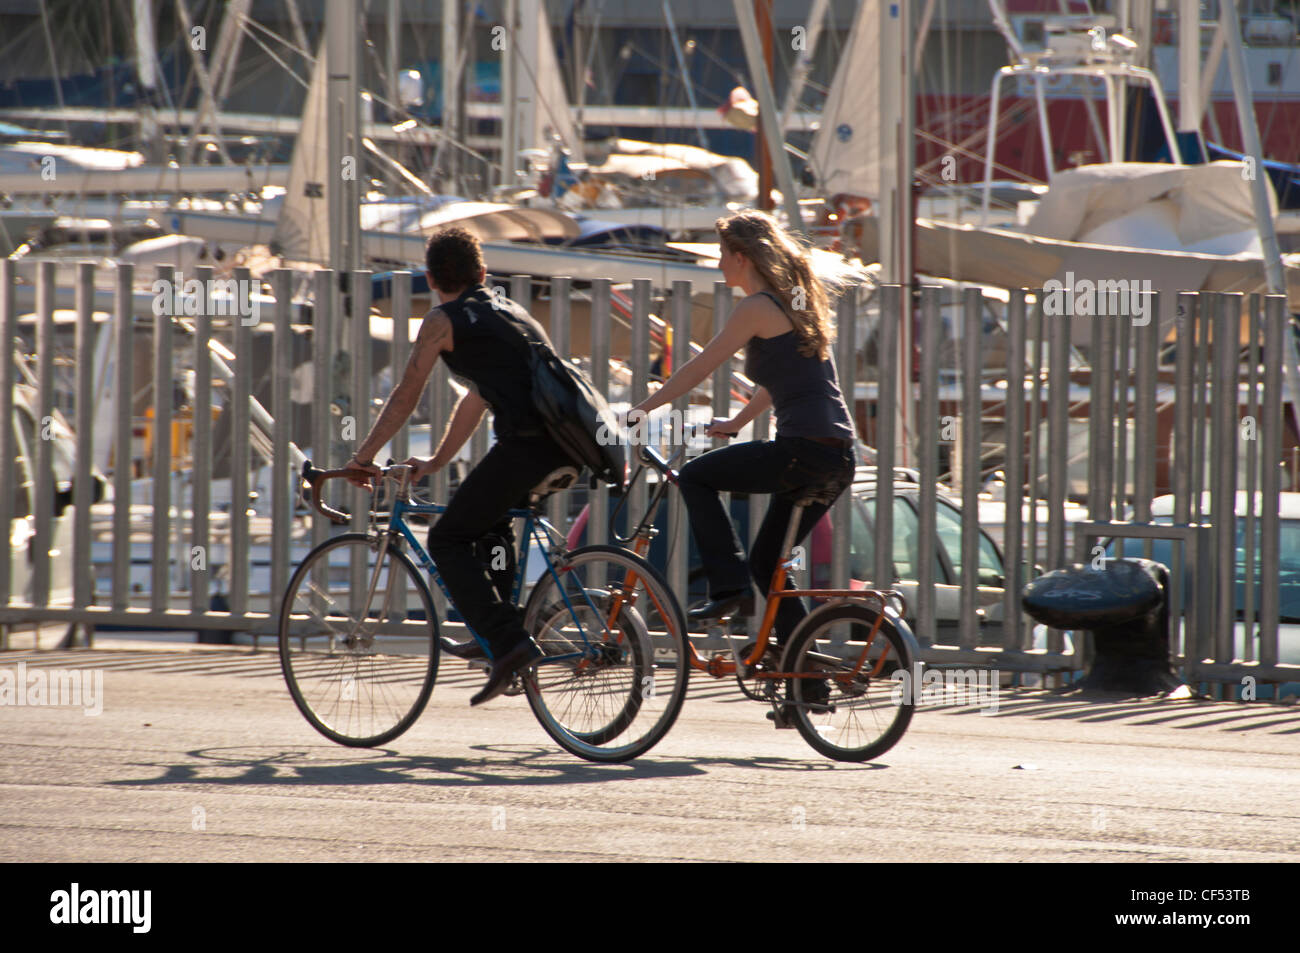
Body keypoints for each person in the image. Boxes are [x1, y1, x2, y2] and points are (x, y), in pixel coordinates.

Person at [345, 226, 576, 706]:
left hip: (528, 447)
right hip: (565, 446)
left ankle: (510, 644)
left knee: (447, 537)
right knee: (487, 524)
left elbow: (406, 394)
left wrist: (362, 458)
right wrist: (437, 460)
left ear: (430, 279)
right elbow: (477, 397)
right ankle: (496, 635)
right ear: (483, 273)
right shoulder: (511, 313)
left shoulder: (442, 321)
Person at [628, 210, 859, 664]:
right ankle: (803, 669)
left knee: (694, 477)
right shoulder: (793, 304)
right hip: (836, 457)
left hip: (803, 450)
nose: (718, 265)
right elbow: (780, 381)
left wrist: (645, 407)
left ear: (740, 256)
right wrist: (736, 422)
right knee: (769, 562)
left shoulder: (756, 307)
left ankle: (728, 589)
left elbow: (701, 366)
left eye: (720, 255)